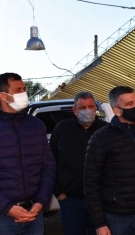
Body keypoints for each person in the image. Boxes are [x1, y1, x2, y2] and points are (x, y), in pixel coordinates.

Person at [0, 72, 56, 235]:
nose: (24, 94)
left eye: (24, 89)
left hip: (35, 213)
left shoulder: (36, 125)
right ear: (3, 96)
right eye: (18, 90)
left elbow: (48, 167)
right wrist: (7, 208)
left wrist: (41, 201)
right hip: (0, 218)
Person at [84, 86, 135, 235]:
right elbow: (91, 184)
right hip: (115, 219)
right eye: (129, 105)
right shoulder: (101, 138)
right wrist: (99, 223)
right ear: (117, 111)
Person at [50, 91, 108, 235]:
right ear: (74, 110)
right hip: (71, 201)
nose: (87, 110)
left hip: (102, 201)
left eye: (90, 106)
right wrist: (58, 192)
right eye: (82, 108)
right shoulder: (62, 129)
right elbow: (51, 161)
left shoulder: (106, 130)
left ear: (95, 108)